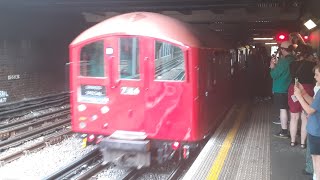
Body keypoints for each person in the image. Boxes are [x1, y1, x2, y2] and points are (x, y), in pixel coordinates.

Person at [294, 64, 320, 180]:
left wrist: (299, 96)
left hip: (317, 131)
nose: (315, 77)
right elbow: (314, 102)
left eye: (317, 75)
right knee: (315, 157)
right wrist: (303, 92)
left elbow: (310, 109)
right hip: (315, 129)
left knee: (317, 159)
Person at [288, 44, 316, 147]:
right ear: (307, 53)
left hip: (294, 88)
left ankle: (292, 141)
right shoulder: (312, 64)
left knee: (294, 116)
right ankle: (303, 143)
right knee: (305, 117)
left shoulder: (291, 64)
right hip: (307, 89)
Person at [270, 41, 295, 138]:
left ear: (283, 50)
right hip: (292, 88)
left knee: (283, 109)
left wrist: (272, 67)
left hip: (281, 89)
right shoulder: (294, 60)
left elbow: (274, 75)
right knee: (291, 110)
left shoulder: (283, 61)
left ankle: (284, 131)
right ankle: (293, 128)